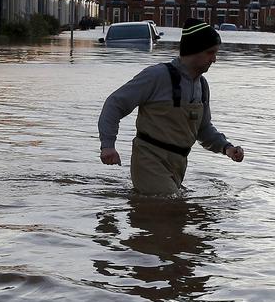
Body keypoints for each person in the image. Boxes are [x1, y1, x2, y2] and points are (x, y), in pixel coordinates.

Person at [98, 19, 245, 194]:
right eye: (210, 52)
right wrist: (108, 145)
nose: (214, 59)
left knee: (174, 207)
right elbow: (114, 104)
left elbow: (203, 129)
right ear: (193, 50)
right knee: (170, 206)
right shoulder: (157, 76)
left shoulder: (202, 86)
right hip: (149, 162)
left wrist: (227, 148)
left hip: (178, 165)